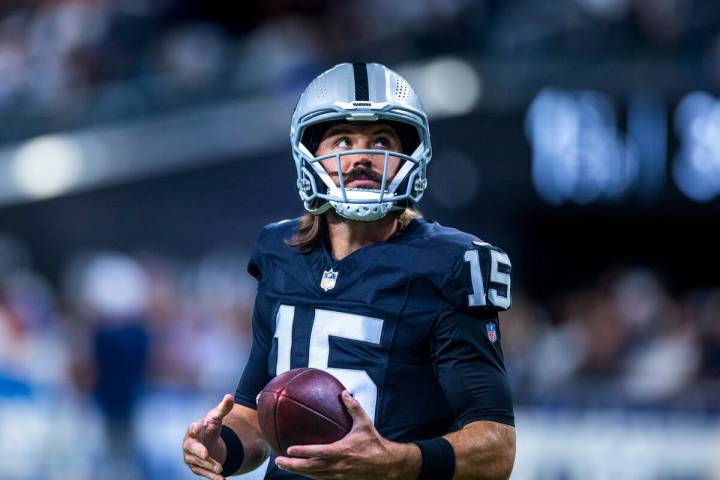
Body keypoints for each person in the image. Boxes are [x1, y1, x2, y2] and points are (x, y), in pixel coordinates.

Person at [182, 62, 515, 480]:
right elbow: (255, 418)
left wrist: (396, 461)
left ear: (410, 156)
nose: (361, 157)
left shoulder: (449, 264)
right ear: (309, 153)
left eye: (381, 141)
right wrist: (221, 446)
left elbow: (497, 447)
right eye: (343, 140)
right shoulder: (279, 252)